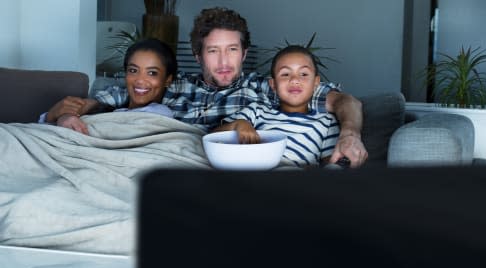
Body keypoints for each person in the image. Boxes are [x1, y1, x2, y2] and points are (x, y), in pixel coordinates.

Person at [45, 7, 368, 167]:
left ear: (244, 53)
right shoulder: (168, 85)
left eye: (232, 50)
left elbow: (344, 101)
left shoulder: (268, 88)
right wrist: (65, 117)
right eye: (214, 51)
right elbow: (93, 102)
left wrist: (350, 134)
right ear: (198, 56)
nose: (224, 61)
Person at [215, 45, 339, 167]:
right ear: (273, 84)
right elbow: (214, 136)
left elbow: (330, 163)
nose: (294, 80)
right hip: (257, 170)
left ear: (316, 83)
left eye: (303, 74)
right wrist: (238, 124)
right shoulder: (257, 110)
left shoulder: (327, 122)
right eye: (285, 74)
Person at [41, 38, 177, 134]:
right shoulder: (110, 104)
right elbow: (53, 123)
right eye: (133, 70)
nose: (140, 81)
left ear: (168, 80)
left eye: (152, 73)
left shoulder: (161, 113)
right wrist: (61, 116)